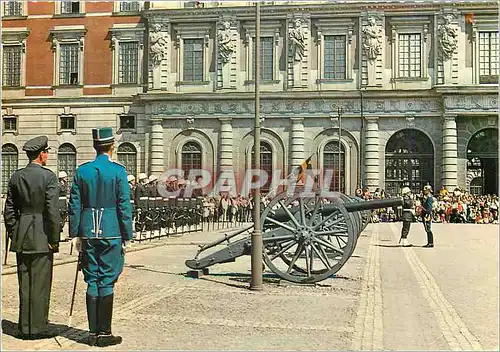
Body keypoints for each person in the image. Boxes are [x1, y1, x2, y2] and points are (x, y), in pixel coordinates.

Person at [68, 127, 133, 347]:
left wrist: (75, 233)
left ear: (95, 146)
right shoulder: (118, 171)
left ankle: (92, 332)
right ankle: (104, 332)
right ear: (112, 146)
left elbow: (74, 205)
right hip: (112, 230)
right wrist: (127, 235)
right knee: (107, 278)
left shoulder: (82, 171)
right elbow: (124, 205)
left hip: (87, 232)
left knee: (91, 278)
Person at [3, 135, 60, 339]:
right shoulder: (49, 177)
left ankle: (24, 326)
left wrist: (14, 230)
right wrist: (54, 238)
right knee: (40, 284)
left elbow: (8, 211)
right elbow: (52, 211)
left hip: (22, 234)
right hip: (42, 235)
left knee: (24, 283)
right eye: (46, 153)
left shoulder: (16, 176)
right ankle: (37, 328)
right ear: (42, 154)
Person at [58, 171, 69, 241]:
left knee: (63, 218)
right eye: (65, 177)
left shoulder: (64, 185)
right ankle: (59, 235)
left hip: (64, 203)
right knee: (60, 219)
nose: (66, 178)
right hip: (60, 203)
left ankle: (61, 235)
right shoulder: (58, 185)